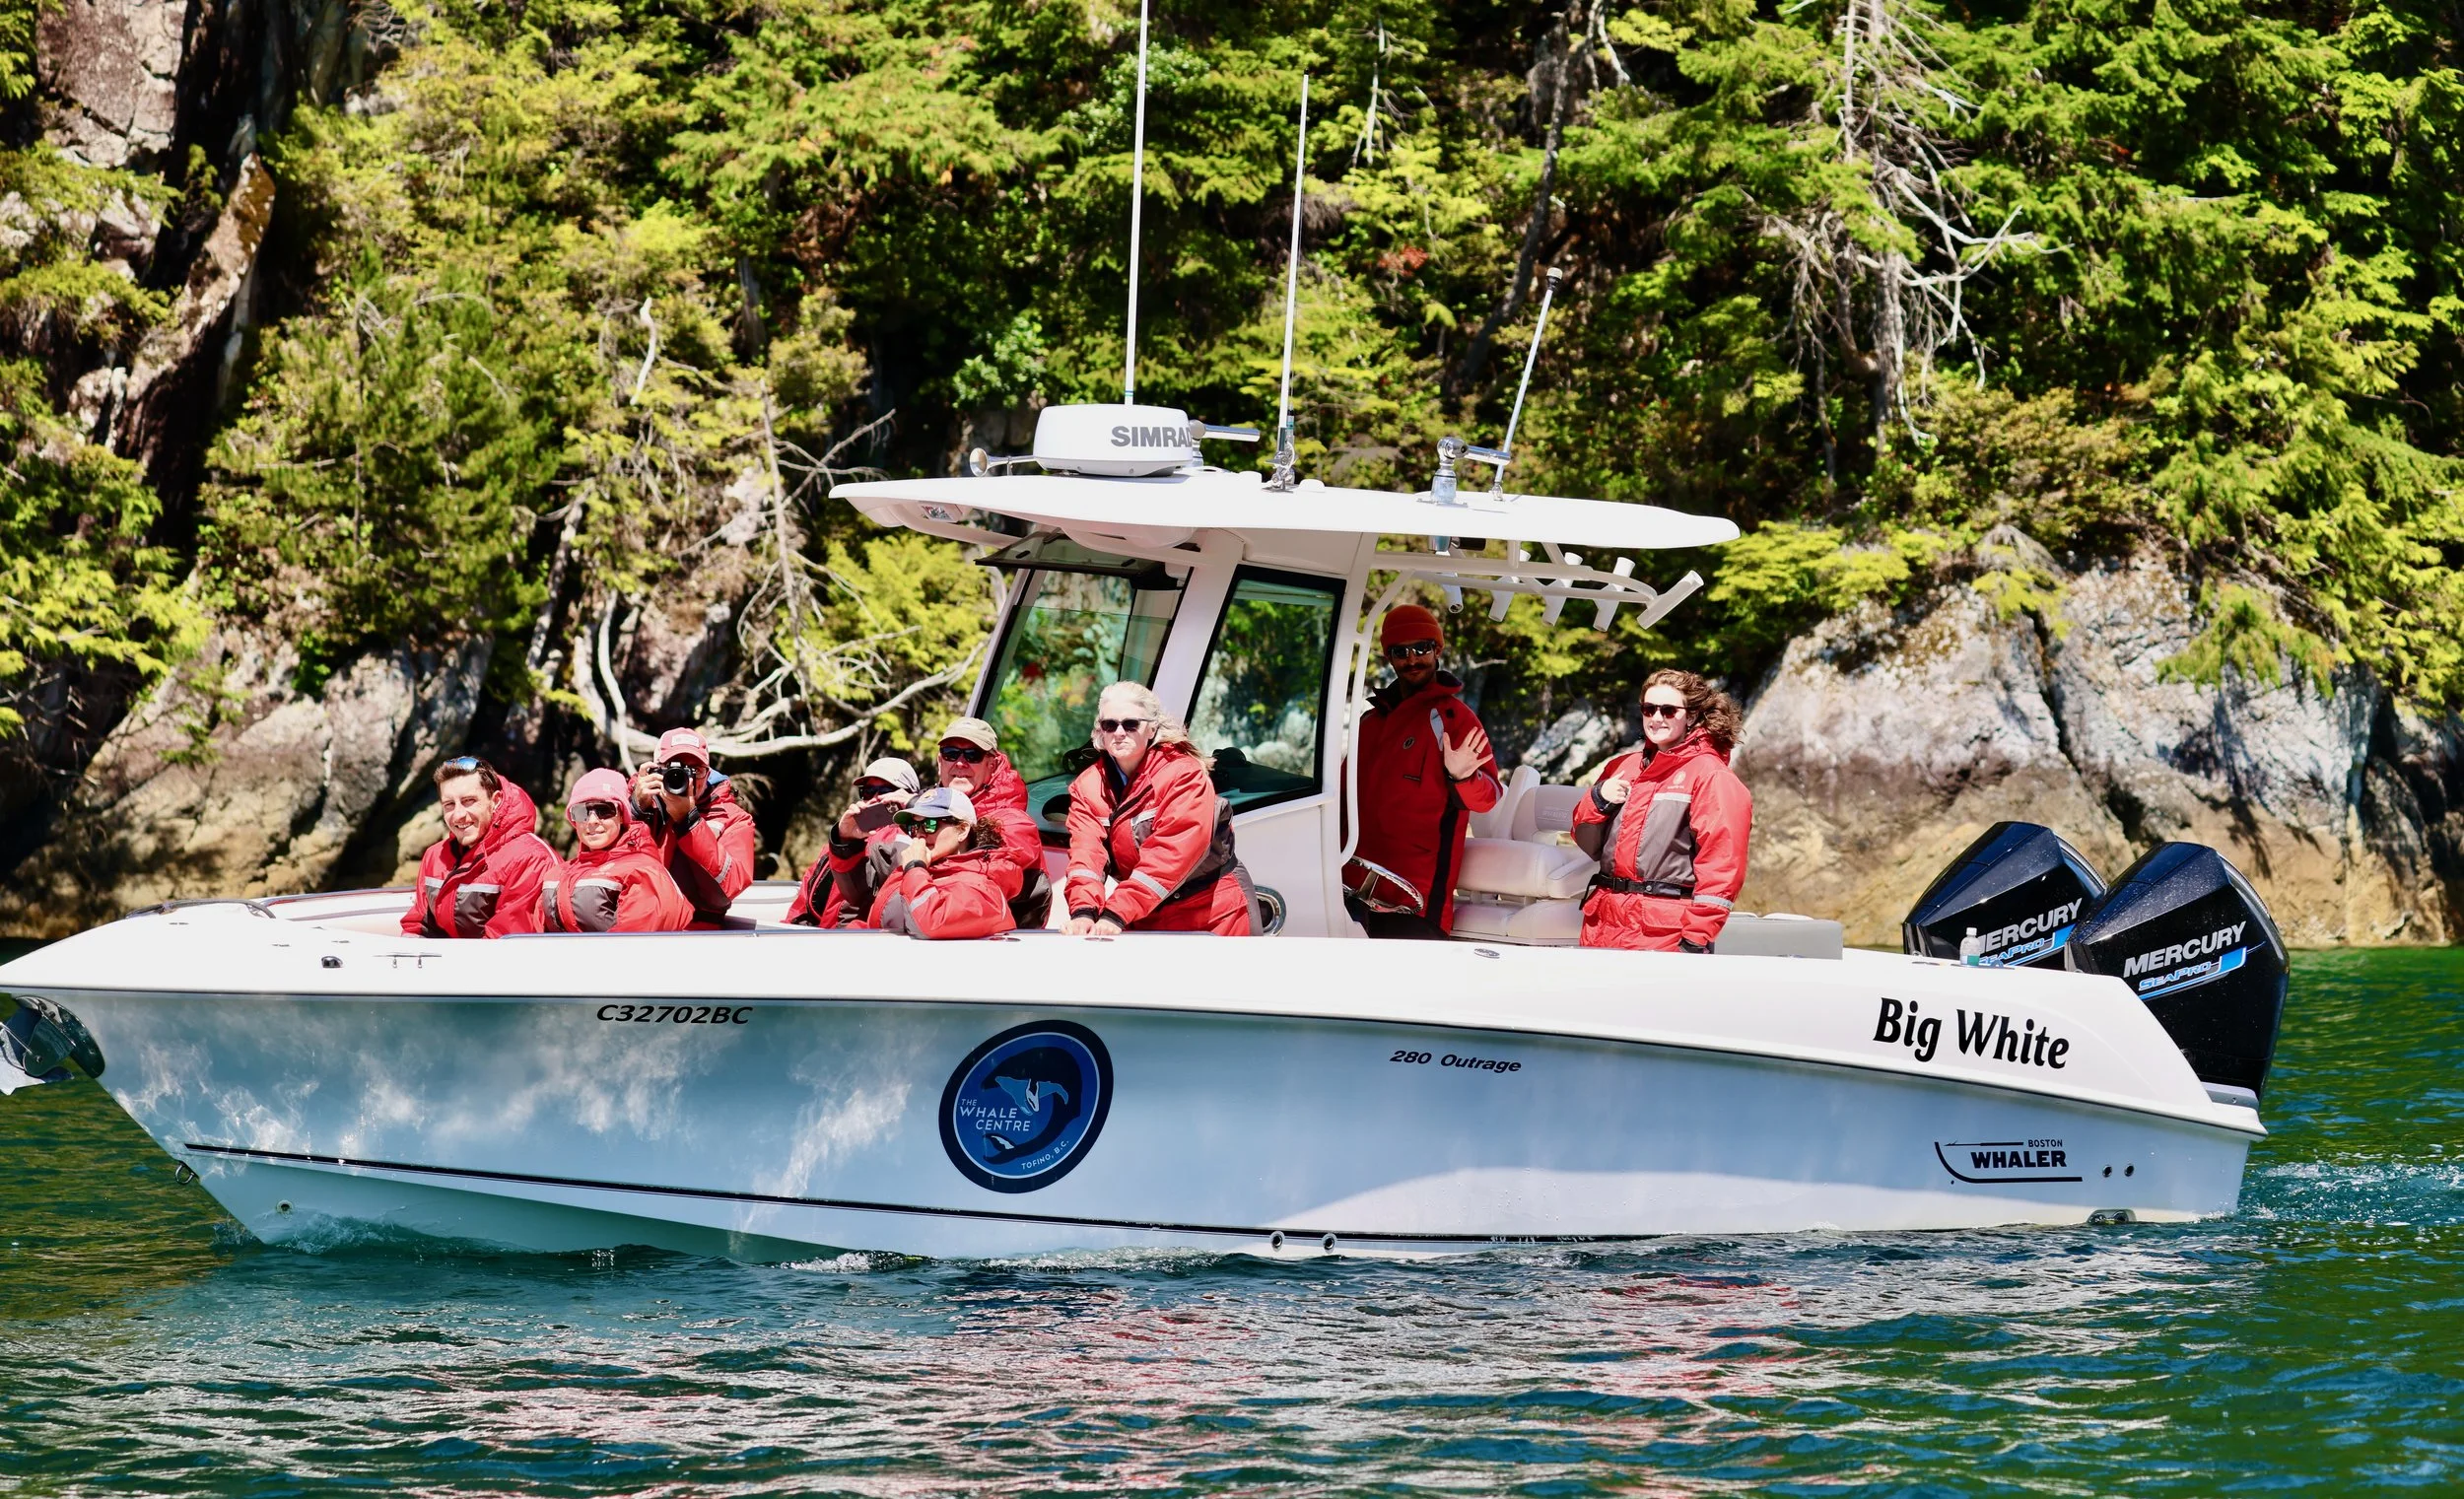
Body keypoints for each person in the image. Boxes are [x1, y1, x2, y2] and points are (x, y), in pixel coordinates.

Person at [1343, 603, 1502, 938]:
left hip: (1416, 899)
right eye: (1401, 651)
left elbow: (1490, 796)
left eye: (1422, 648)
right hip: (1348, 887)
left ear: (1438, 649)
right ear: (1389, 657)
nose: (1412, 659)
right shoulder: (1370, 722)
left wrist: (1463, 777)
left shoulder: (1454, 719)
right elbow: (1339, 795)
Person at [1571, 669, 1751, 952]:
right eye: (1649, 708)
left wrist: (1695, 939)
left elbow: (1722, 865)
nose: (1656, 718)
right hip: (1601, 927)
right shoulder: (1621, 767)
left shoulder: (1711, 776)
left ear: (1691, 715)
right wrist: (1596, 799)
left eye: (1668, 710)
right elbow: (1586, 843)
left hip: (1663, 937)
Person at [1062, 681, 1253, 935]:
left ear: (1151, 728)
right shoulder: (1088, 786)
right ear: (1100, 731)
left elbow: (1170, 854)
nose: (1119, 732)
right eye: (1110, 725)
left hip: (1212, 915)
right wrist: (1084, 911)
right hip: (1144, 915)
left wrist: (1116, 912)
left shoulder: (1184, 774)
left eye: (1131, 724)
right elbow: (1086, 855)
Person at [402, 756, 557, 938]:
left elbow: (506, 943)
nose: (458, 815)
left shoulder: (531, 858)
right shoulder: (435, 856)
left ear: (496, 801)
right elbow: (419, 925)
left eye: (469, 801)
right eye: (449, 805)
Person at [629, 727, 757, 927]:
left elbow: (728, 890)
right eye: (674, 768)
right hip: (635, 927)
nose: (686, 778)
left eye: (695, 770)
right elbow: (597, 865)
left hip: (697, 935)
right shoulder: (633, 805)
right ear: (655, 769)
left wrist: (689, 822)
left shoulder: (734, 819)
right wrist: (635, 810)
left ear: (708, 773)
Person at [929, 715, 1050, 924]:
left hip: (997, 936)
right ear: (940, 762)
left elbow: (995, 870)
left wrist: (920, 864)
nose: (960, 763)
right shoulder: (922, 808)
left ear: (991, 765)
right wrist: (853, 841)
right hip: (935, 921)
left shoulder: (1014, 821)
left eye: (972, 755)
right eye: (950, 753)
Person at [543, 769, 695, 932]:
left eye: (604, 810)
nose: (592, 821)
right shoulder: (556, 874)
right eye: (581, 812)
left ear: (622, 815)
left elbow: (631, 947)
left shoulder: (644, 871)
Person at [862, 786, 1023, 939]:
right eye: (914, 827)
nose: (919, 834)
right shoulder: (922, 871)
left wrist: (915, 867)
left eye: (929, 824)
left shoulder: (984, 887)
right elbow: (878, 925)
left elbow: (931, 924)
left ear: (962, 830)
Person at [786, 757, 920, 927]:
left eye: (886, 791)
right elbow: (804, 905)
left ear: (906, 796)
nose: (875, 798)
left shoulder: (911, 839)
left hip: (854, 939)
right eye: (868, 791)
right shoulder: (838, 843)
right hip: (818, 936)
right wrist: (844, 840)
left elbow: (859, 897)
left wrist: (912, 816)